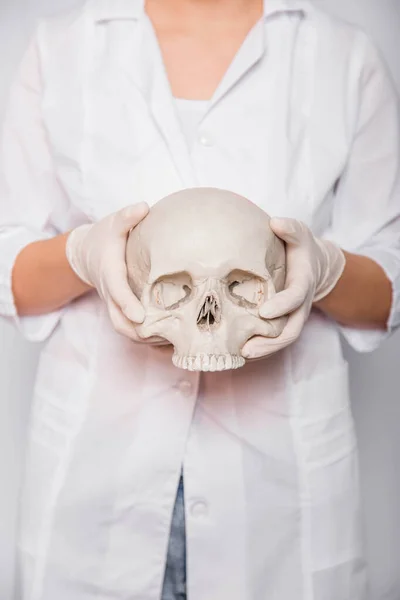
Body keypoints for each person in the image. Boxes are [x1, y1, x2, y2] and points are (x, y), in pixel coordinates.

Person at [0, 0, 399, 598]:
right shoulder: (61, 47)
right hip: (95, 484)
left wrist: (326, 270)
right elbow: (10, 265)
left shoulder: (343, 55)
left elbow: (389, 286)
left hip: (280, 504)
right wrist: (83, 252)